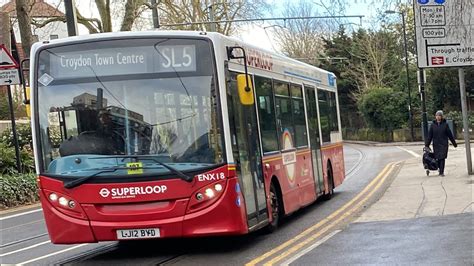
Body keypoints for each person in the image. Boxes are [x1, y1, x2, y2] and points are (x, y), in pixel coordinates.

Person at [425, 110, 457, 176]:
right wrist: (427, 145)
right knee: (438, 158)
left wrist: (454, 144)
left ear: (441, 116)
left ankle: (441, 172)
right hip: (436, 144)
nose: (438, 117)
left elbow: (450, 135)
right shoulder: (433, 125)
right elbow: (430, 136)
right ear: (435, 116)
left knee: (442, 158)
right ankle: (440, 169)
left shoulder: (445, 124)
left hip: (443, 144)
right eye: (437, 115)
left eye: (439, 115)